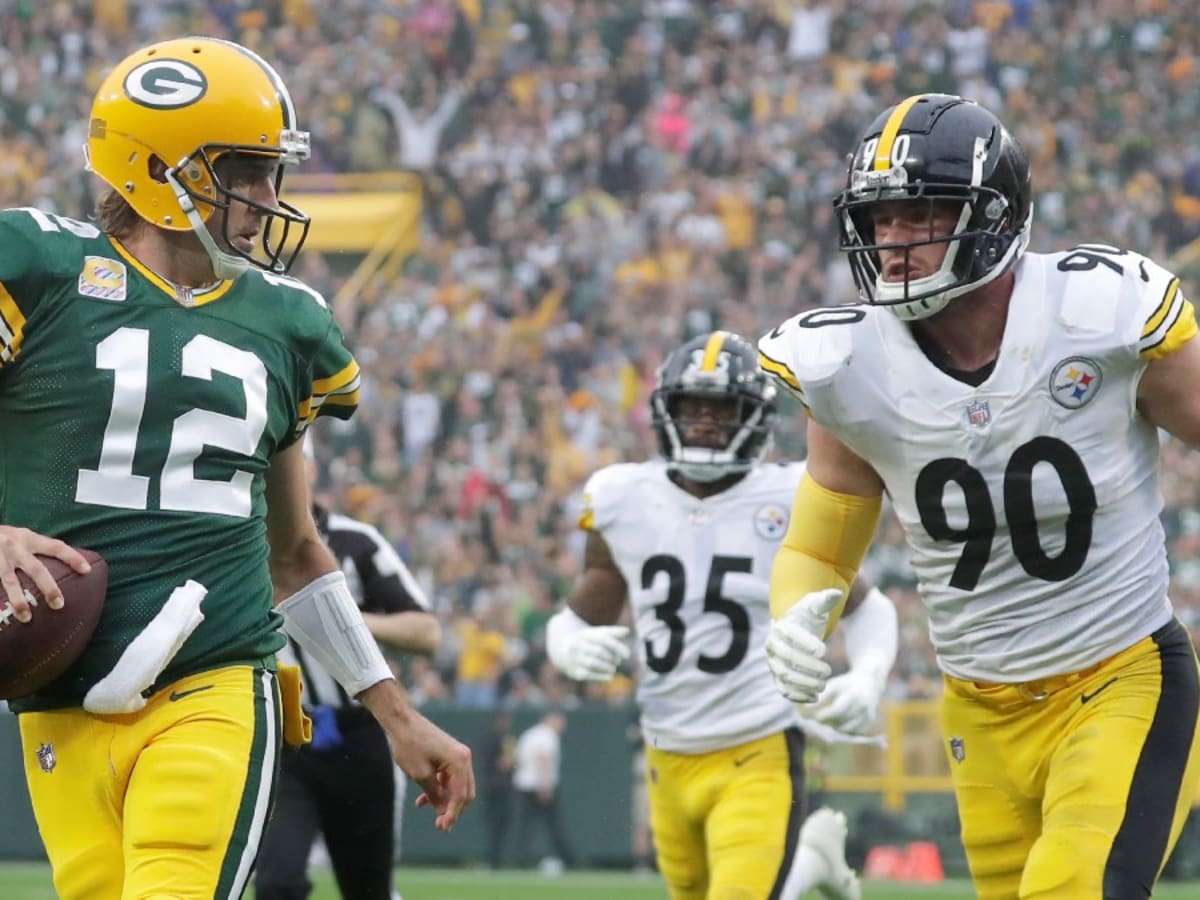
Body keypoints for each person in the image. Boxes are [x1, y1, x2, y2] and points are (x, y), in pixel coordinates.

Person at [0, 37, 473, 900]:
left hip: (214, 677)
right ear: (153, 169)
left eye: (269, 172)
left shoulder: (286, 322)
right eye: (244, 171)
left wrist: (397, 716)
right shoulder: (37, 268)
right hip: (59, 699)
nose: (265, 199)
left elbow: (295, 553)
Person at [757, 92, 1200, 899]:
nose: (894, 241)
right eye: (879, 219)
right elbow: (820, 548)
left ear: (997, 216)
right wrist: (795, 610)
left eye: (920, 212)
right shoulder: (846, 366)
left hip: (1121, 679)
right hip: (978, 716)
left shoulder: (1098, 315)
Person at [546, 331, 899, 900]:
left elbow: (868, 607)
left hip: (757, 745)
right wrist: (564, 642)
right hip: (665, 751)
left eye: (721, 409)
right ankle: (811, 862)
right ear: (666, 411)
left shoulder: (790, 496)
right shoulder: (622, 497)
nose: (705, 422)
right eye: (692, 407)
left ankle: (805, 864)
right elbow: (587, 605)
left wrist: (867, 676)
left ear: (753, 418)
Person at [255, 438, 442, 900]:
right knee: (276, 885)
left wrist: (341, 618)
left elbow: (427, 632)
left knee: (368, 890)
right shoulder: (233, 545)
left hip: (357, 737)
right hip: (282, 742)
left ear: (307, 471)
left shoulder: (355, 543)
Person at [508, 710, 576, 873]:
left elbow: (516, 758)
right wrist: (544, 784)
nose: (562, 725)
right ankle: (569, 860)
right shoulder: (547, 735)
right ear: (550, 719)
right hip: (540, 786)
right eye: (560, 720)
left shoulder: (529, 734)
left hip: (523, 786)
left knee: (523, 826)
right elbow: (543, 758)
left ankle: (517, 860)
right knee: (554, 826)